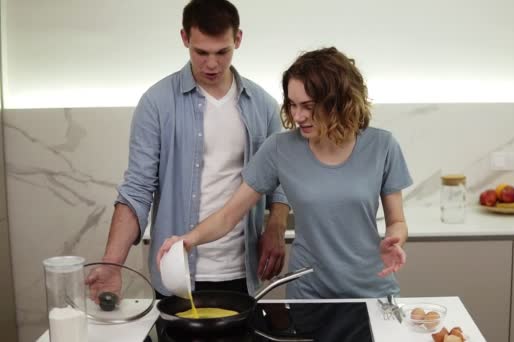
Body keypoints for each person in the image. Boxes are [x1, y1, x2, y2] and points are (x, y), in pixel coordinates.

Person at [158, 47, 413, 299]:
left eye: (308, 106)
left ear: (338, 101)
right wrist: (188, 241)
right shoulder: (280, 149)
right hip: (310, 293)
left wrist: (395, 240)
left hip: (373, 290)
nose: (297, 116)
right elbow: (228, 215)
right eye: (292, 105)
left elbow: (396, 222)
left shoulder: (382, 146)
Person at [87, 0, 289, 302]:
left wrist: (275, 226)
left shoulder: (263, 105)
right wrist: (112, 264)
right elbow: (137, 189)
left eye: (222, 52)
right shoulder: (156, 103)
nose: (211, 64)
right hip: (175, 273)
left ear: (238, 39)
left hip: (242, 274)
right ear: (185, 39)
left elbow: (279, 181)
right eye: (201, 52)